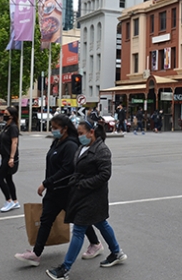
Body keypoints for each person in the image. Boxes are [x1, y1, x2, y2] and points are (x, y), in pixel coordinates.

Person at [15, 115, 102, 266]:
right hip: (54, 191)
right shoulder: (57, 142)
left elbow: (68, 169)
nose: (53, 130)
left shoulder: (70, 145)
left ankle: (95, 244)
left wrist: (46, 183)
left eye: (55, 128)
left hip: (66, 191)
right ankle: (36, 253)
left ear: (65, 128)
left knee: (78, 220)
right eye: (52, 127)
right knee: (46, 220)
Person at [46, 119, 127, 280]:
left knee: (78, 230)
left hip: (93, 196)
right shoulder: (83, 147)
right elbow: (77, 168)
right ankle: (117, 252)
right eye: (78, 134)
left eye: (82, 133)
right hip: (81, 194)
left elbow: (105, 175)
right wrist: (74, 181)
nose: (79, 137)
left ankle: (65, 268)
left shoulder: (101, 150)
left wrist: (83, 183)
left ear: (92, 132)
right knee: (100, 223)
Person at [0, 106, 20, 212]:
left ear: (12, 116)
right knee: (8, 179)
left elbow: (14, 143)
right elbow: (3, 142)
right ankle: (15, 201)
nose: (4, 115)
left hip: (9, 157)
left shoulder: (13, 127)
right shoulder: (6, 126)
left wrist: (12, 158)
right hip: (4, 156)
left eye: (6, 113)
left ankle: (9, 201)